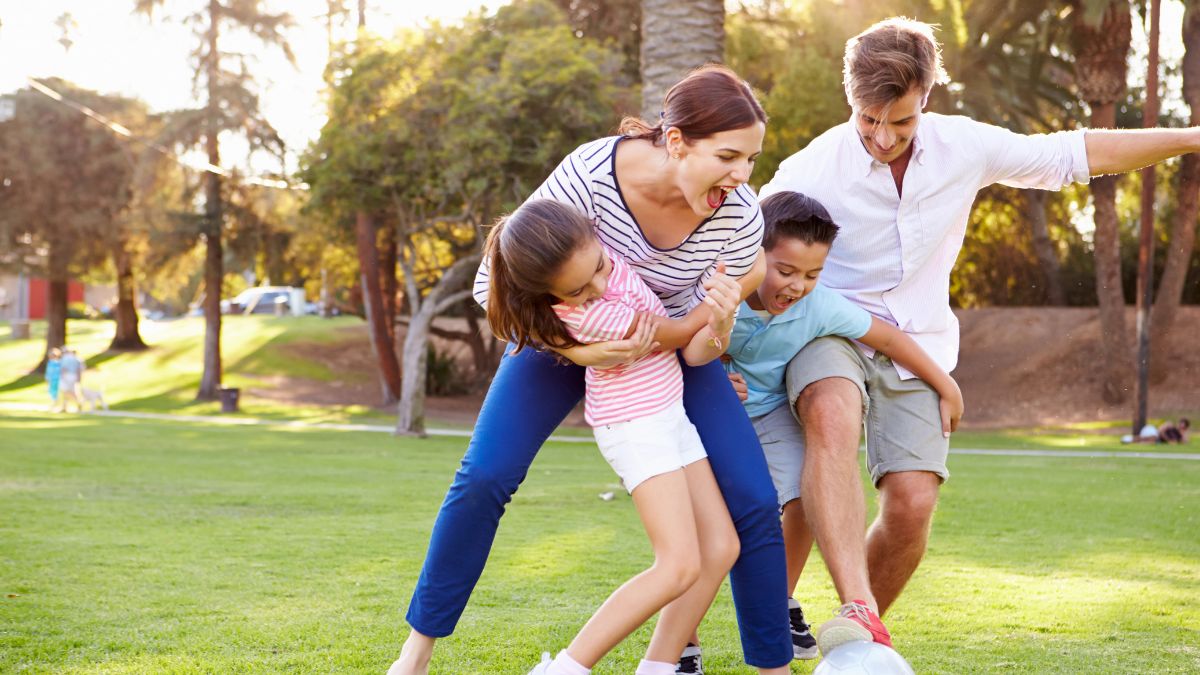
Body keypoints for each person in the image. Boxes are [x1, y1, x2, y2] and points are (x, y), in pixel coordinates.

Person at [759, 16, 1200, 652]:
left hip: (921, 342)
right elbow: (743, 242)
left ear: (928, 99)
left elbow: (1076, 154)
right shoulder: (811, 169)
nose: (883, 137)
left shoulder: (962, 146)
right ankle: (854, 606)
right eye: (868, 120)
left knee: (910, 504)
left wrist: (1190, 136)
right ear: (851, 101)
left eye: (901, 122)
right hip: (831, 331)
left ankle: (853, 635)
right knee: (831, 412)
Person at [390, 65, 794, 675]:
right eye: (729, 156)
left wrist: (726, 311)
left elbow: (739, 283)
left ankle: (766, 667)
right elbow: (489, 285)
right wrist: (576, 352)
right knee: (485, 477)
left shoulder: (735, 214)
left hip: (670, 349)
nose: (743, 178)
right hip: (561, 340)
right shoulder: (589, 175)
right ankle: (415, 655)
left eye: (752, 160)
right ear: (677, 141)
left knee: (755, 501)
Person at [482, 198, 741, 675]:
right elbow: (683, 330)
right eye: (579, 289)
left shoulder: (601, 256)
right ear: (550, 294)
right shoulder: (591, 317)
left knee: (722, 547)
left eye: (599, 267)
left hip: (668, 415)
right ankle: (565, 668)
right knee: (679, 564)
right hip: (635, 425)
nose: (600, 286)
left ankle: (659, 667)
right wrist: (732, 287)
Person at [718, 191, 962, 658]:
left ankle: (778, 603)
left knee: (806, 498)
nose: (796, 286)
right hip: (717, 419)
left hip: (769, 416)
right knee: (710, 531)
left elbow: (887, 336)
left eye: (811, 274)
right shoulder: (721, 293)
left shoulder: (819, 306)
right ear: (752, 252)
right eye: (786, 271)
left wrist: (945, 385)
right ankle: (681, 646)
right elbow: (683, 346)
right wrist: (712, 378)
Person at [58, 348, 83, 413]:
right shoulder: (77, 359)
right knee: (72, 391)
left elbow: (63, 368)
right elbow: (79, 370)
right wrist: (79, 378)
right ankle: (67, 405)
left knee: (66, 391)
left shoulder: (64, 358)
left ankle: (75, 403)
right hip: (74, 376)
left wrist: (62, 376)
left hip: (66, 376)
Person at [45, 348, 62, 412]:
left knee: (55, 392)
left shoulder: (58, 363)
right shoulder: (50, 362)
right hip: (51, 379)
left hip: (57, 379)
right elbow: (48, 371)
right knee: (51, 391)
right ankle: (53, 403)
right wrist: (47, 378)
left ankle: (55, 404)